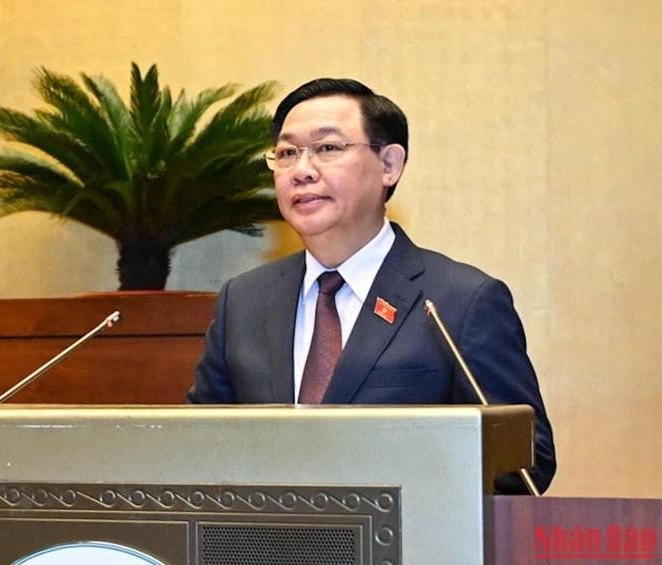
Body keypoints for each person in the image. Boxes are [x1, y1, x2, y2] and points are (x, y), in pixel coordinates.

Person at [187, 78, 555, 494]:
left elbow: (526, 461)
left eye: (327, 148)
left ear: (389, 165)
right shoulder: (244, 300)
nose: (302, 171)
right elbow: (198, 445)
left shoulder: (460, 301)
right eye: (287, 153)